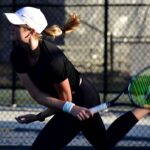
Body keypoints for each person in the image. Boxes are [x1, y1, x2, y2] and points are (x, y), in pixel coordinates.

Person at [4, 7, 150, 150]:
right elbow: (38, 95)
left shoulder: (53, 59)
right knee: (105, 143)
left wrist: (44, 115)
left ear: (31, 31)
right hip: (69, 105)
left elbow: (66, 102)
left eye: (17, 25)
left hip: (83, 99)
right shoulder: (17, 55)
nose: (11, 27)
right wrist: (39, 116)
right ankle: (146, 107)